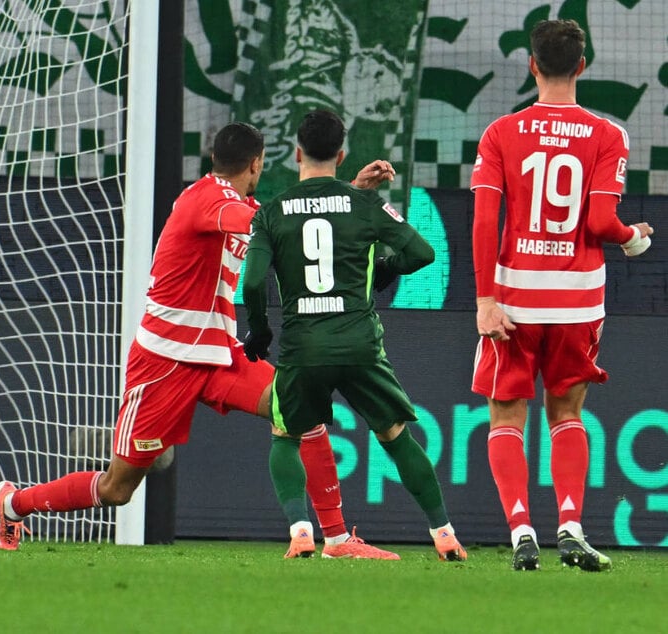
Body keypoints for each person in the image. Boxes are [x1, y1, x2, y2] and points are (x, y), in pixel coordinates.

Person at [0, 122, 397, 558]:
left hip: (220, 356)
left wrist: (348, 192)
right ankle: (12, 505)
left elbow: (290, 227)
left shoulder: (240, 202)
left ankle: (335, 539)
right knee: (117, 488)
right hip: (164, 360)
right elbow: (280, 224)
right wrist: (348, 196)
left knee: (304, 409)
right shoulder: (205, 200)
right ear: (256, 163)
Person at [241, 109, 468, 562]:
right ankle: (444, 534)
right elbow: (423, 252)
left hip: (303, 345)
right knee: (396, 436)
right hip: (360, 342)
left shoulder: (272, 212)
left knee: (286, 435)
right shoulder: (364, 203)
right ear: (342, 155)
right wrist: (382, 270)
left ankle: (301, 533)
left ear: (297, 153)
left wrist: (260, 333)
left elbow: (251, 282)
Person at [470, 19, 653, 572]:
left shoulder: (502, 132)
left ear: (531, 65)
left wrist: (484, 300)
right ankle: (570, 526)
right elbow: (602, 219)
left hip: (515, 298)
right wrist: (632, 239)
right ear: (582, 66)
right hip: (577, 300)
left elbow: (483, 221)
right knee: (566, 412)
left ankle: (523, 531)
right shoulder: (608, 135)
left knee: (506, 418)